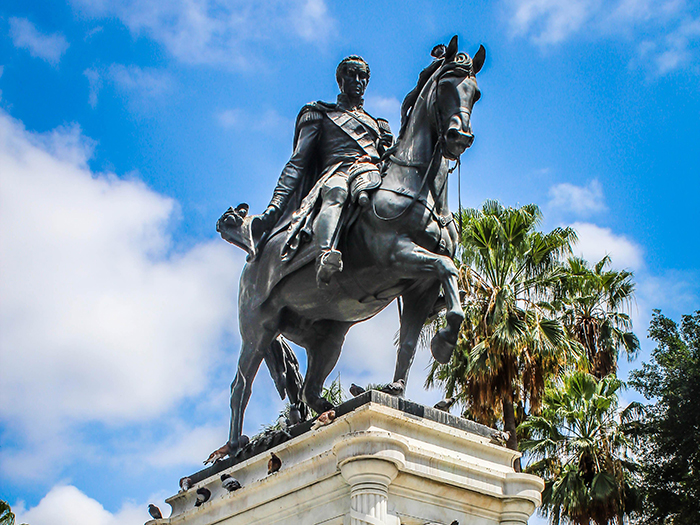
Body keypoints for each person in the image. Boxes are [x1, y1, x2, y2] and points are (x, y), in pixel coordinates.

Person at [252, 55, 393, 285]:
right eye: (351, 74)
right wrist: (274, 207)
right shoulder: (320, 114)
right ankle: (325, 255)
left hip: (372, 175)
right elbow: (298, 162)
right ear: (340, 80)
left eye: (362, 76)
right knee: (336, 191)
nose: (357, 80)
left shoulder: (378, 125)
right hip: (337, 172)